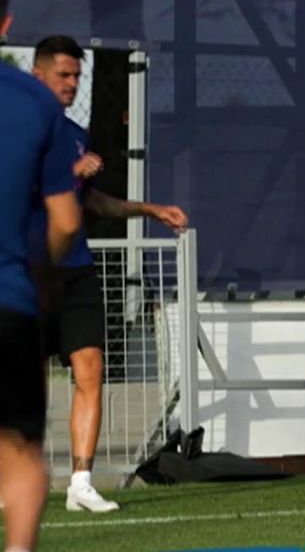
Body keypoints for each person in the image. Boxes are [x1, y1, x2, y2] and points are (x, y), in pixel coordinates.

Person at [31, 35, 189, 512]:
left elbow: (91, 200)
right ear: (37, 74)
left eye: (78, 76)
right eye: (64, 75)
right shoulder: (16, 129)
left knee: (90, 370)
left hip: (77, 272)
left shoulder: (75, 131)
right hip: (28, 272)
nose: (73, 84)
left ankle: (80, 483)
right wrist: (70, 173)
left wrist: (149, 209)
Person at [0, 0, 83, 546]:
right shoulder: (34, 104)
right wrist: (43, 276)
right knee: (23, 445)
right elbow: (68, 221)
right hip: (11, 299)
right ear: (6, 24)